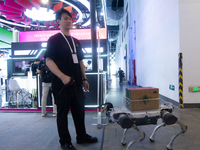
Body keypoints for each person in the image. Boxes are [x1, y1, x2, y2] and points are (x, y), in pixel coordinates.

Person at [44, 9, 98, 150]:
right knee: (62, 114)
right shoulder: (54, 40)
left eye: (70, 19)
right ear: (58, 21)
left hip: (76, 84)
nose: (69, 21)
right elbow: (48, 61)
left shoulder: (76, 41)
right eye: (66, 18)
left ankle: (81, 136)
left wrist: (85, 79)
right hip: (61, 86)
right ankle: (65, 142)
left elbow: (80, 61)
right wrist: (62, 76)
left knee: (79, 111)